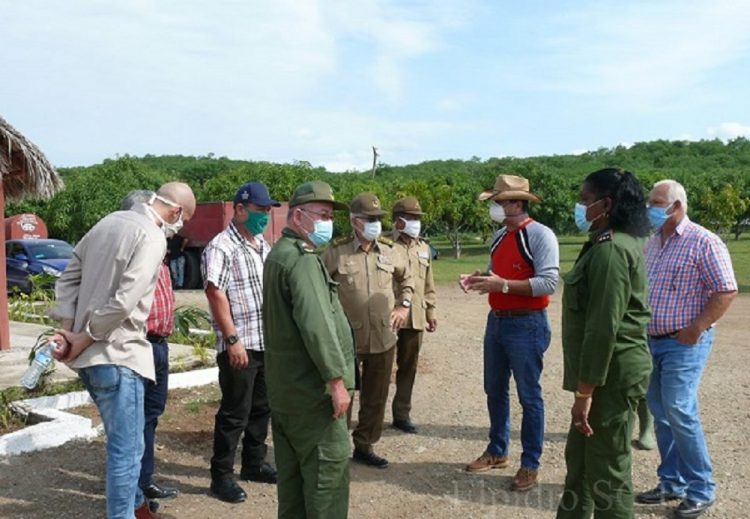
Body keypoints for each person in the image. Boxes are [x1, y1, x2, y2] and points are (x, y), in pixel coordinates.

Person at [50, 182, 196, 519]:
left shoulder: (106, 222)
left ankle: (134, 508)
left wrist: (71, 329)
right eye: (183, 220)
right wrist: (84, 337)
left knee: (127, 445)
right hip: (120, 355)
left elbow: (68, 277)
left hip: (93, 362)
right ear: (174, 211)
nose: (180, 228)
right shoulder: (153, 236)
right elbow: (125, 301)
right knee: (127, 453)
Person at [636, 179, 737, 519]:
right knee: (660, 411)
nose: (650, 207)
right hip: (654, 341)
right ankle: (671, 482)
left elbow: (725, 290)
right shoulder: (653, 243)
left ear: (677, 206)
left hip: (685, 341)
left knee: (679, 410)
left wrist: (697, 328)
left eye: (656, 202)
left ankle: (701, 489)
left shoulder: (704, 242)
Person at [555, 168, 653, 519]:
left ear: (605, 204)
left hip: (611, 375)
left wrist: (585, 393)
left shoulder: (611, 251)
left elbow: (603, 328)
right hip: (604, 374)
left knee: (608, 471)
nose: (580, 207)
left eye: (585, 201)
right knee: (580, 461)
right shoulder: (604, 243)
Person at [460, 174, 559, 492]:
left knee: (529, 397)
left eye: (499, 202)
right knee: (495, 389)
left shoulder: (540, 236)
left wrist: (501, 285)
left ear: (517, 203)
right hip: (498, 321)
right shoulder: (500, 236)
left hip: (527, 323)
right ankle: (497, 450)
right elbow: (497, 273)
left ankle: (530, 464)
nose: (496, 207)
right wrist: (480, 278)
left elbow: (548, 283)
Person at [263, 180, 355, 518]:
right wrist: (336, 381)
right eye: (324, 214)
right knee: (325, 486)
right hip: (312, 397)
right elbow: (316, 324)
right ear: (299, 216)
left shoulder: (280, 254)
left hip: (288, 393)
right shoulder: (300, 260)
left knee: (293, 489)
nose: (329, 223)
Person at [322, 192, 414, 469]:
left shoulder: (389, 250)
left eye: (378, 219)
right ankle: (335, 448)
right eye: (369, 219)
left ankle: (365, 445)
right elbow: (320, 289)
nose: (375, 223)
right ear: (354, 221)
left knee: (376, 397)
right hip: (347, 340)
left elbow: (407, 278)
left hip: (383, 337)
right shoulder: (336, 252)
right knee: (341, 397)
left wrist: (404, 306)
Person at [203, 181, 279, 503]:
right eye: (259, 210)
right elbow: (214, 292)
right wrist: (232, 339)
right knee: (235, 413)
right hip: (240, 344)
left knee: (262, 408)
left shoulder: (263, 244)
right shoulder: (221, 247)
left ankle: (254, 463)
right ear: (240, 209)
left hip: (266, 343)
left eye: (266, 211)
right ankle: (221, 476)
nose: (264, 216)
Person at [121, 191, 180, 512]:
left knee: (150, 419)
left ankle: (143, 484)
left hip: (159, 346)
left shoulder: (159, 249)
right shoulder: (129, 250)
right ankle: (133, 498)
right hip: (136, 345)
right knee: (133, 424)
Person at [389, 196, 437, 434]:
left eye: (418, 218)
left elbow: (428, 283)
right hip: (388, 317)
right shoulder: (385, 245)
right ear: (398, 221)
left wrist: (431, 311)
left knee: (408, 367)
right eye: (411, 218)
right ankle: (369, 415)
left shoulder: (424, 247)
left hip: (415, 316)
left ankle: (401, 414)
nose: (416, 222)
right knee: (378, 368)